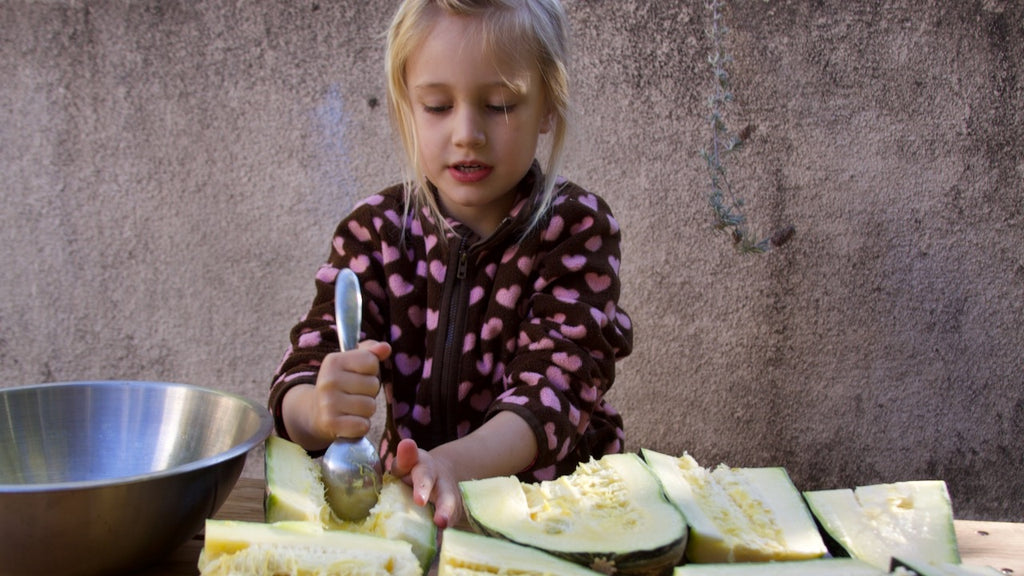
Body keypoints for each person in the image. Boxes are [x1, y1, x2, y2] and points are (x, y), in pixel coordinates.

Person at [269, 0, 633, 529]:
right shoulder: (375, 232)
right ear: (407, 108)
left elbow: (552, 395)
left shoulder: (575, 231)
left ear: (549, 106)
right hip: (413, 510)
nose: (467, 133)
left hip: (557, 518)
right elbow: (301, 368)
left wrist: (450, 467)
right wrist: (318, 409)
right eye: (438, 106)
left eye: (501, 104)